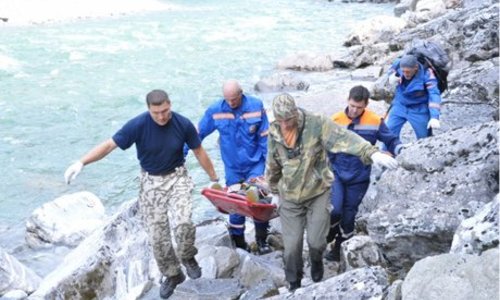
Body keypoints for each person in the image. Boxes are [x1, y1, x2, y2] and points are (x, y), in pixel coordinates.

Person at [64, 90, 219, 299]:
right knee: (158, 237)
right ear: (149, 109)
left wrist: (214, 179)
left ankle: (188, 256)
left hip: (177, 178)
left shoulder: (183, 124)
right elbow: (109, 145)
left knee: (183, 223)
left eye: (165, 111)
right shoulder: (138, 125)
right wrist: (81, 162)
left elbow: (199, 151)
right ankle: (173, 274)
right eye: (156, 113)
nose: (162, 117)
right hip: (151, 182)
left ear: (170, 104)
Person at [265, 93, 398, 291]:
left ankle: (317, 265)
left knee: (317, 242)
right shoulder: (274, 132)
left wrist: (371, 152)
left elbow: (344, 138)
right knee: (291, 247)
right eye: (281, 120)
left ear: (295, 113)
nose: (285, 124)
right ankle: (294, 286)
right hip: (290, 196)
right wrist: (274, 191)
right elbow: (273, 163)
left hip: (317, 191)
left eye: (288, 119)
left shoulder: (315, 123)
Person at [192, 80, 272, 255]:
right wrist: (180, 154)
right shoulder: (215, 111)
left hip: (255, 163)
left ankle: (262, 240)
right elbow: (196, 135)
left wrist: (270, 167)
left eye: (234, 99)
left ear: (241, 93)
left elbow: (264, 136)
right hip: (233, 167)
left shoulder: (256, 106)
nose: (231, 103)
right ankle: (239, 241)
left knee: (257, 199)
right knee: (234, 203)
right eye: (227, 100)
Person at [325, 85, 403, 262]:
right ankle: (329, 233)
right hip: (336, 173)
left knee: (349, 214)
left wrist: (400, 149)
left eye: (359, 107)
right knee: (335, 210)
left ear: (366, 105)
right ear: (348, 100)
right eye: (352, 105)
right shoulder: (335, 120)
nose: (354, 110)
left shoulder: (374, 121)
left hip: (359, 177)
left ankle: (339, 247)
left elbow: (390, 139)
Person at [386, 54, 442, 140]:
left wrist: (434, 117)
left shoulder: (427, 74)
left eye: (408, 72)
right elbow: (391, 69)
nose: (405, 74)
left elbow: (434, 94)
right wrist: (390, 76)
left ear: (416, 68)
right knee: (388, 134)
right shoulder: (398, 63)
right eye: (403, 71)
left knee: (424, 139)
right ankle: (387, 152)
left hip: (419, 109)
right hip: (400, 104)